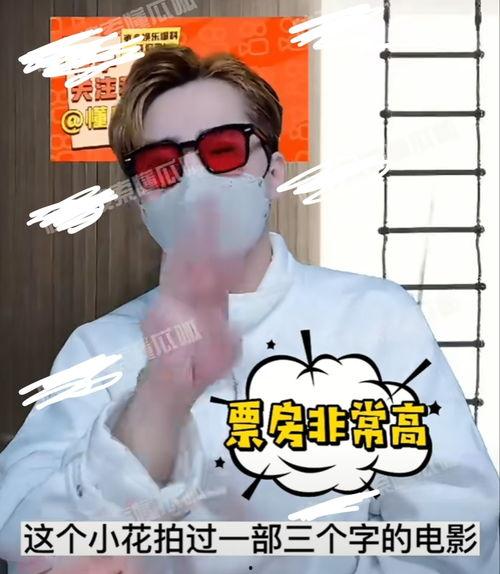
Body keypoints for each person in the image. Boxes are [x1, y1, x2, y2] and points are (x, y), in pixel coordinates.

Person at [0, 46, 498, 574]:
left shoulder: (375, 317)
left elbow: (457, 536)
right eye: (159, 166)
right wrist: (155, 402)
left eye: (223, 150)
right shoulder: (97, 349)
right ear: (141, 200)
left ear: (273, 172)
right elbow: (28, 542)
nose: (194, 181)